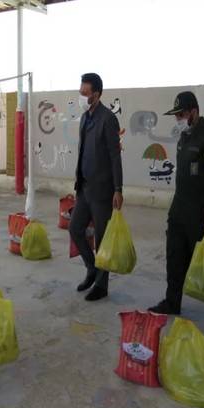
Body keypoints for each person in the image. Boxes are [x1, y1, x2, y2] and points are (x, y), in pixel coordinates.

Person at [148, 91, 204, 315]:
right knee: (174, 256)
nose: (178, 119)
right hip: (179, 206)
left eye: (181, 115)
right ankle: (172, 302)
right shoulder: (185, 136)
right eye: (176, 115)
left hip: (199, 210)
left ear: (194, 112)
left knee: (203, 258)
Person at [69, 73, 123, 301]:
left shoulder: (108, 119)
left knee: (102, 239)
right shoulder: (84, 118)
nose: (81, 96)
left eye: (85, 93)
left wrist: (118, 188)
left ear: (97, 95)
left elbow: (115, 156)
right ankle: (91, 269)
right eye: (80, 92)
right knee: (75, 229)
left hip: (102, 191)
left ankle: (101, 285)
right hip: (84, 189)